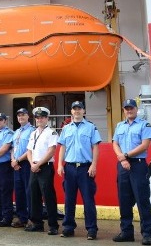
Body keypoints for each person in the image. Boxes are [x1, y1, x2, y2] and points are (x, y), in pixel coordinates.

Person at [57, 101, 101, 240]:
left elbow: (95, 147)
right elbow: (62, 147)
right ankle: (68, 227)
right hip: (69, 167)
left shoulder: (91, 127)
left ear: (84, 111)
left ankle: (92, 229)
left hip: (85, 168)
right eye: (74, 109)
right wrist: (59, 164)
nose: (77, 111)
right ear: (71, 111)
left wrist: (93, 165)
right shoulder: (66, 128)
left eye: (79, 109)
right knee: (69, 200)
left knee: (88, 200)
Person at [112, 99, 151, 244]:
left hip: (138, 165)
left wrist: (126, 155)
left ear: (136, 109)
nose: (129, 110)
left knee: (142, 200)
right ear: (124, 110)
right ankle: (126, 232)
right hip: (123, 165)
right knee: (124, 200)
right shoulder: (119, 125)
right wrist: (122, 159)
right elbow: (115, 143)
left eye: (131, 108)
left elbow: (145, 145)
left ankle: (147, 233)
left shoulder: (144, 125)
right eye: (126, 108)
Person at [26, 107, 59, 234]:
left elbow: (51, 151)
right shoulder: (33, 133)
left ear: (47, 119)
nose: (39, 119)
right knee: (34, 195)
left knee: (48, 196)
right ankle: (37, 223)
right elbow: (29, 150)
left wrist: (38, 164)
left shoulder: (52, 133)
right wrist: (32, 164)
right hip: (33, 167)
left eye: (42, 117)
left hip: (45, 167)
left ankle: (53, 225)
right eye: (37, 117)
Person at [10, 108, 34, 228]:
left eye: (23, 115)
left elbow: (31, 149)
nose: (21, 117)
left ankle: (31, 218)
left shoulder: (32, 131)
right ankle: (21, 218)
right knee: (19, 192)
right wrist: (13, 160)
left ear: (28, 116)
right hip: (16, 165)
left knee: (29, 192)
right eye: (19, 115)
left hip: (27, 164)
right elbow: (13, 148)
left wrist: (18, 160)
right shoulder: (17, 132)